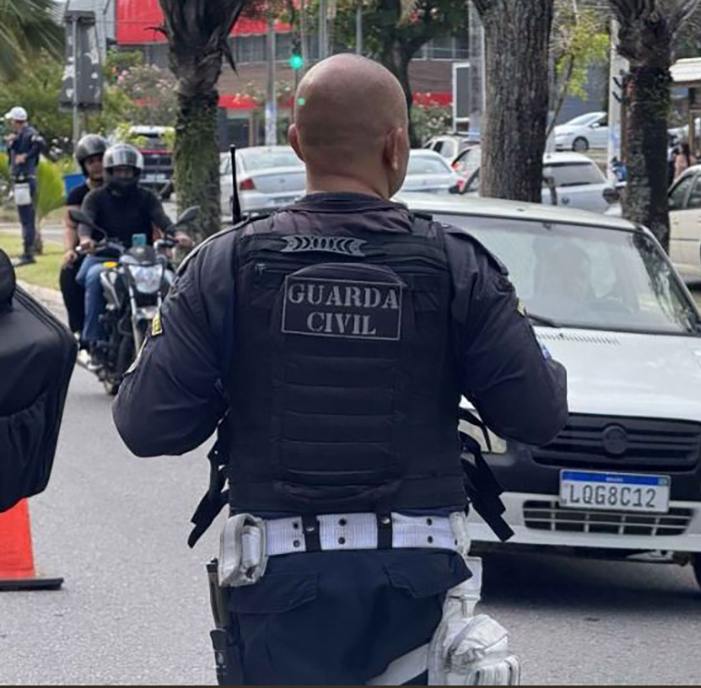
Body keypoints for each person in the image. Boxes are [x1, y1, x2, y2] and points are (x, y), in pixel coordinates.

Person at [112, 54, 568, 685]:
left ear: (297, 144)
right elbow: (538, 414)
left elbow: (148, 425)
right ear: (396, 145)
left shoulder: (226, 265)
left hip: (279, 589)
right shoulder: (459, 266)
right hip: (416, 586)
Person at [77, 143, 188, 358]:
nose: (123, 175)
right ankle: (94, 339)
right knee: (91, 276)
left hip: (142, 258)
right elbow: (86, 221)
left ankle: (180, 337)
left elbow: (161, 219)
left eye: (127, 171)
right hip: (107, 255)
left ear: (136, 172)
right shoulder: (95, 198)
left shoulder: (146, 197)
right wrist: (85, 238)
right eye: (119, 171)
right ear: (109, 172)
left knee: (172, 278)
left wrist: (177, 235)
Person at [62, 135, 108, 338]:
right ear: (83, 165)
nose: (97, 165)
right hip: (91, 249)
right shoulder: (77, 195)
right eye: (91, 161)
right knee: (69, 273)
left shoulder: (121, 188)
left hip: (122, 248)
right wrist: (70, 250)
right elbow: (71, 226)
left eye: (101, 159)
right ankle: (80, 329)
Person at [4, 107, 45, 266]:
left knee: (26, 217)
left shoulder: (28, 133)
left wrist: (25, 157)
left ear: (16, 121)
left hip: (24, 180)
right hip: (21, 180)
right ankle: (27, 250)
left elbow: (39, 143)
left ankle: (28, 252)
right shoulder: (21, 135)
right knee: (25, 217)